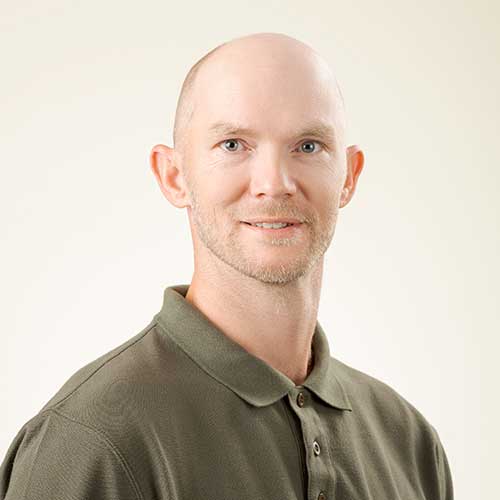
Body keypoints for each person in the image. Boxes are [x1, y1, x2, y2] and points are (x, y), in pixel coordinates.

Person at [0, 32, 454, 500]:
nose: (274, 184)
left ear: (349, 176)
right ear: (173, 176)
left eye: (309, 145)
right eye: (234, 145)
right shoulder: (91, 439)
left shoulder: (411, 443)